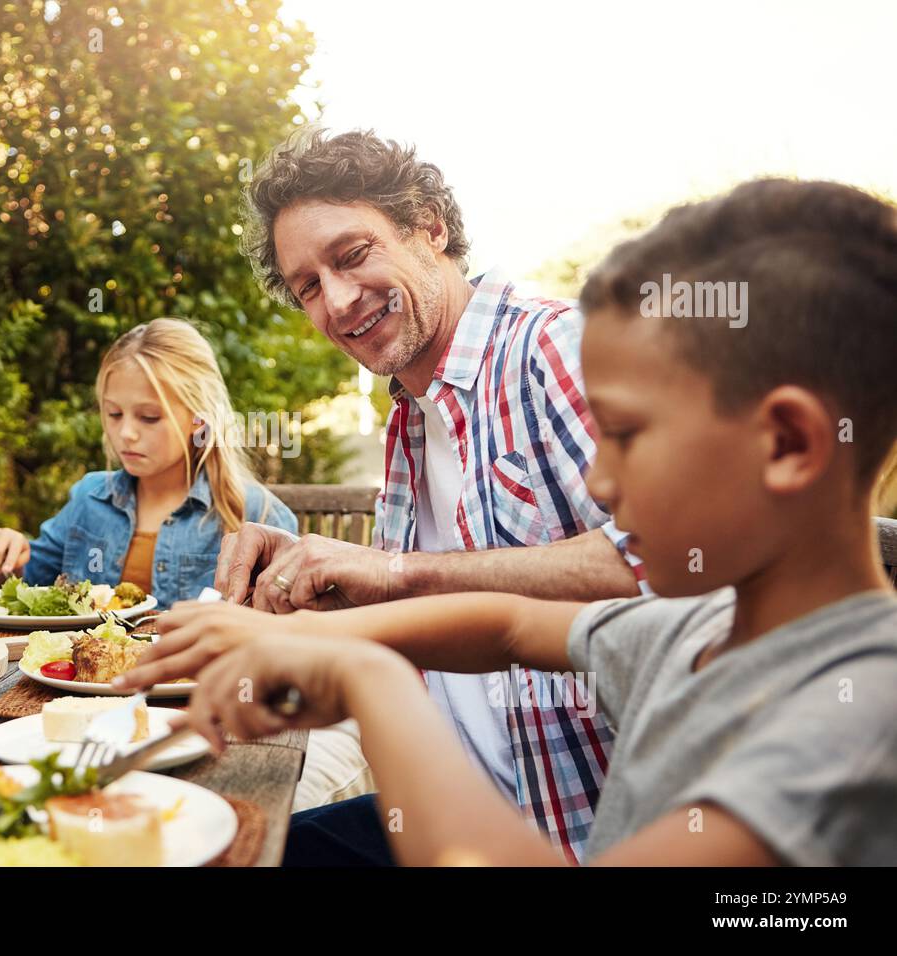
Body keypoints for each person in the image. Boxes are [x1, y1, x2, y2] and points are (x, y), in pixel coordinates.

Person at [134, 178, 897, 865]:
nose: (599, 475)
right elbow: (502, 624)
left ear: (789, 443)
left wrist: (365, 677)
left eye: (624, 435)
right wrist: (302, 633)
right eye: (308, 285)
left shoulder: (863, 717)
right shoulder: (689, 634)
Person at [207, 129, 642, 847]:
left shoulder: (554, 349)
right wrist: (313, 571)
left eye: (352, 255)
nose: (339, 301)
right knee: (222, 841)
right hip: (452, 820)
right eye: (308, 286)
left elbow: (660, 568)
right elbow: (408, 606)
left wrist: (395, 573)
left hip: (576, 834)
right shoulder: (410, 417)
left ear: (429, 228)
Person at [0, 318, 296, 608]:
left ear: (199, 420)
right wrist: (4, 557)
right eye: (114, 414)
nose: (126, 433)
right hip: (84, 671)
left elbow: (284, 632)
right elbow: (20, 585)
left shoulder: (257, 515)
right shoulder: (89, 498)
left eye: (149, 417)